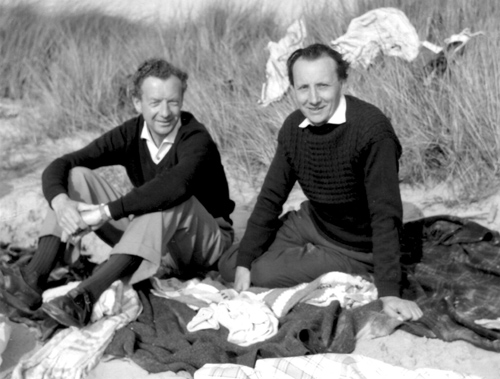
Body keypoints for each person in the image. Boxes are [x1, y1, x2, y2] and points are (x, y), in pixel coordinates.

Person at [0, 58, 235, 328]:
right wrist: (62, 202)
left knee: (167, 199)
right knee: (77, 177)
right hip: (153, 238)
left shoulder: (195, 138)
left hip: (204, 243)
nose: (165, 112)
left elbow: (176, 186)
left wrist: (105, 212)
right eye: (155, 102)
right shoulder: (131, 133)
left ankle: (85, 297)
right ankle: (34, 278)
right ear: (138, 103)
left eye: (173, 101)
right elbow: (63, 164)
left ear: (182, 100)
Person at [219, 43, 422, 322]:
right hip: (314, 220)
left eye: (323, 86)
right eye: (303, 88)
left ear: (342, 82)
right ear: (292, 89)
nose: (313, 99)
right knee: (232, 265)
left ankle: (347, 269)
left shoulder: (372, 131)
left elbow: (385, 213)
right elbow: (270, 198)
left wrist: (389, 291)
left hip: (354, 245)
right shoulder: (293, 128)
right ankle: (304, 257)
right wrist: (244, 262)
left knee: (261, 273)